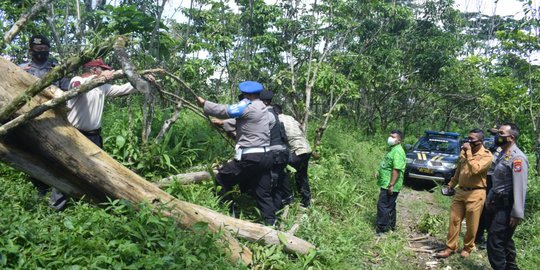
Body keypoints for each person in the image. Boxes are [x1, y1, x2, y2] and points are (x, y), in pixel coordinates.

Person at [49, 59, 145, 210]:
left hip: (94, 136)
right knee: (66, 168)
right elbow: (78, 89)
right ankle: (57, 206)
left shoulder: (103, 87)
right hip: (75, 134)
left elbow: (122, 89)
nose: (107, 72)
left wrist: (142, 81)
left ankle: (93, 202)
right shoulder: (77, 80)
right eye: (103, 69)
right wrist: (98, 78)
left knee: (95, 169)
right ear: (94, 70)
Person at [196, 81, 276, 225]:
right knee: (262, 192)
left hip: (251, 157)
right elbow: (248, 122)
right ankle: (271, 223)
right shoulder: (265, 109)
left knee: (222, 178)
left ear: (248, 95)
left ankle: (230, 213)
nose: (243, 97)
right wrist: (223, 124)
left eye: (244, 95)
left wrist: (205, 104)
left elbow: (226, 110)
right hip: (266, 156)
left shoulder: (248, 106)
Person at [19, 34, 69, 200]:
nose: (40, 51)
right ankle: (39, 188)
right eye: (37, 49)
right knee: (33, 154)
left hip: (53, 120)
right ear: (30, 50)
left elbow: (66, 91)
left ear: (48, 50)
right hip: (28, 119)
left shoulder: (57, 69)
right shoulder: (21, 69)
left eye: (44, 49)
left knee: (55, 155)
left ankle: (57, 189)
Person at [435, 129, 492, 258]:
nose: (468, 141)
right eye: (468, 138)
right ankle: (450, 247)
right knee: (454, 220)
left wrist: (469, 153)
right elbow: (458, 172)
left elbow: (475, 169)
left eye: (472, 139)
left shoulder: (487, 155)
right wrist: (450, 185)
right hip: (460, 191)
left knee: (472, 223)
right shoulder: (464, 153)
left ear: (480, 141)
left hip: (476, 193)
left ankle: (468, 247)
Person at [486, 123, 528, 270]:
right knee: (504, 239)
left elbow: (520, 187)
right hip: (497, 202)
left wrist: (517, 213)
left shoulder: (518, 158)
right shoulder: (503, 154)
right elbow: (496, 179)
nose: (497, 136)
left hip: (507, 205)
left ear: (511, 137)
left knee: (494, 241)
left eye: (501, 133)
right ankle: (511, 267)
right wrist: (490, 196)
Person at [273, 105, 313, 208]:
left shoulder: (277, 120)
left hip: (296, 151)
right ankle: (306, 201)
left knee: (280, 170)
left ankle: (286, 197)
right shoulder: (290, 117)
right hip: (306, 148)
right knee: (302, 175)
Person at [258, 90, 290, 210]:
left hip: (274, 153)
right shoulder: (275, 113)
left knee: (272, 183)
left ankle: (274, 211)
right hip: (282, 151)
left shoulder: (266, 114)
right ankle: (281, 206)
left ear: (264, 102)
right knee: (279, 181)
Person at [475, 126, 501, 249]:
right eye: (492, 134)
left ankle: (490, 238)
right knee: (482, 209)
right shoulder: (487, 147)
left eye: (496, 134)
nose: (494, 137)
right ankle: (478, 237)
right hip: (485, 179)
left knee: (491, 210)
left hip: (495, 182)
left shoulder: (503, 150)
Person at [375, 130, 406, 235]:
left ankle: (382, 229)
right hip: (386, 182)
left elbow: (396, 169)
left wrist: (391, 184)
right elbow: (388, 164)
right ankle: (391, 226)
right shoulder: (393, 149)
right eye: (390, 136)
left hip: (390, 184)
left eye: (393, 137)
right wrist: (379, 172)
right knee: (390, 205)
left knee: (383, 205)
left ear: (399, 140)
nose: (390, 138)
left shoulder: (397, 151)